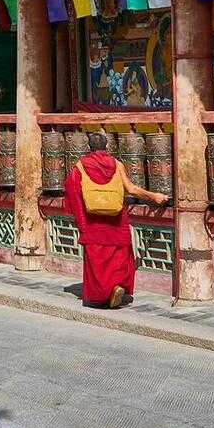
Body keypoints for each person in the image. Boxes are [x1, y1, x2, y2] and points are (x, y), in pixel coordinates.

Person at [64, 131, 168, 308]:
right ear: (106, 146)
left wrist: (80, 220)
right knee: (119, 256)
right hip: (116, 220)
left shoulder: (80, 167)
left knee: (97, 259)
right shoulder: (117, 164)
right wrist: (154, 196)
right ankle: (117, 286)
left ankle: (102, 294)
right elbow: (131, 189)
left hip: (93, 221)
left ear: (89, 147)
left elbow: (73, 192)